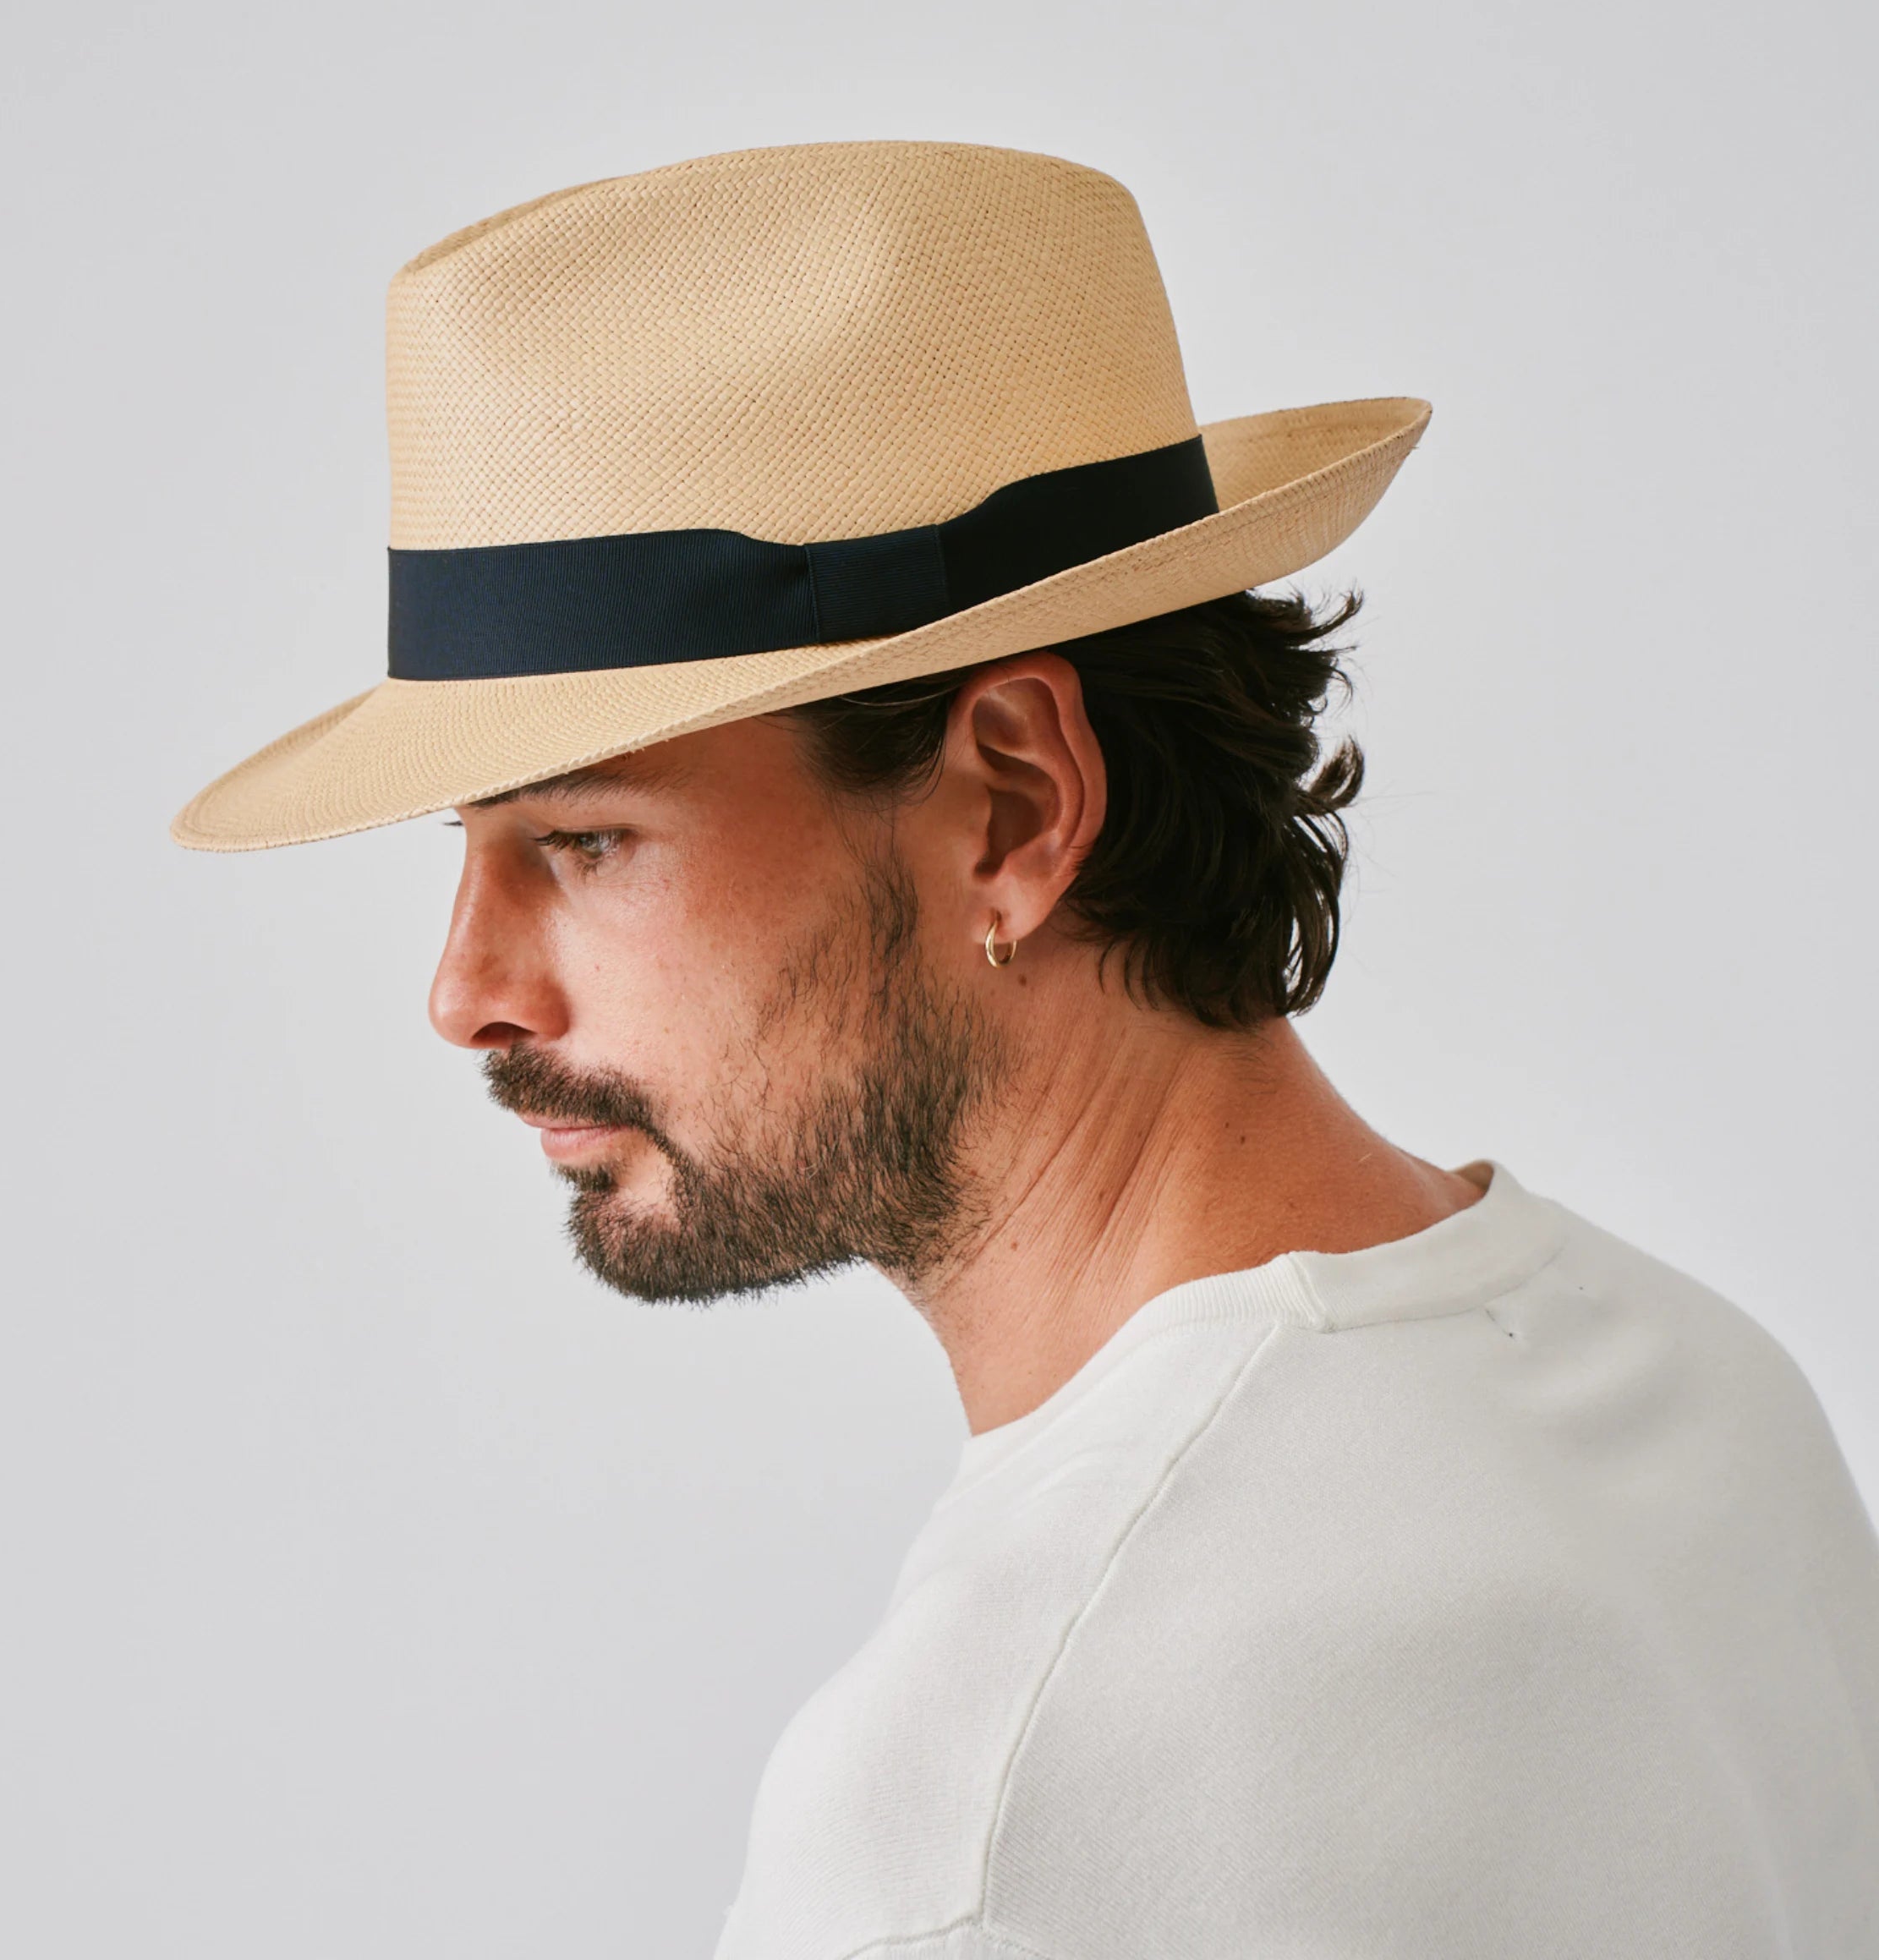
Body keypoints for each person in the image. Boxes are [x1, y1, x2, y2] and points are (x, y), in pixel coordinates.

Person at [174, 141, 1879, 1957]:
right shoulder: (1710, 1396)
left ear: (1013, 801)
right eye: (465, 850)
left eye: (583, 840)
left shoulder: (985, 1801)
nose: (466, 990)